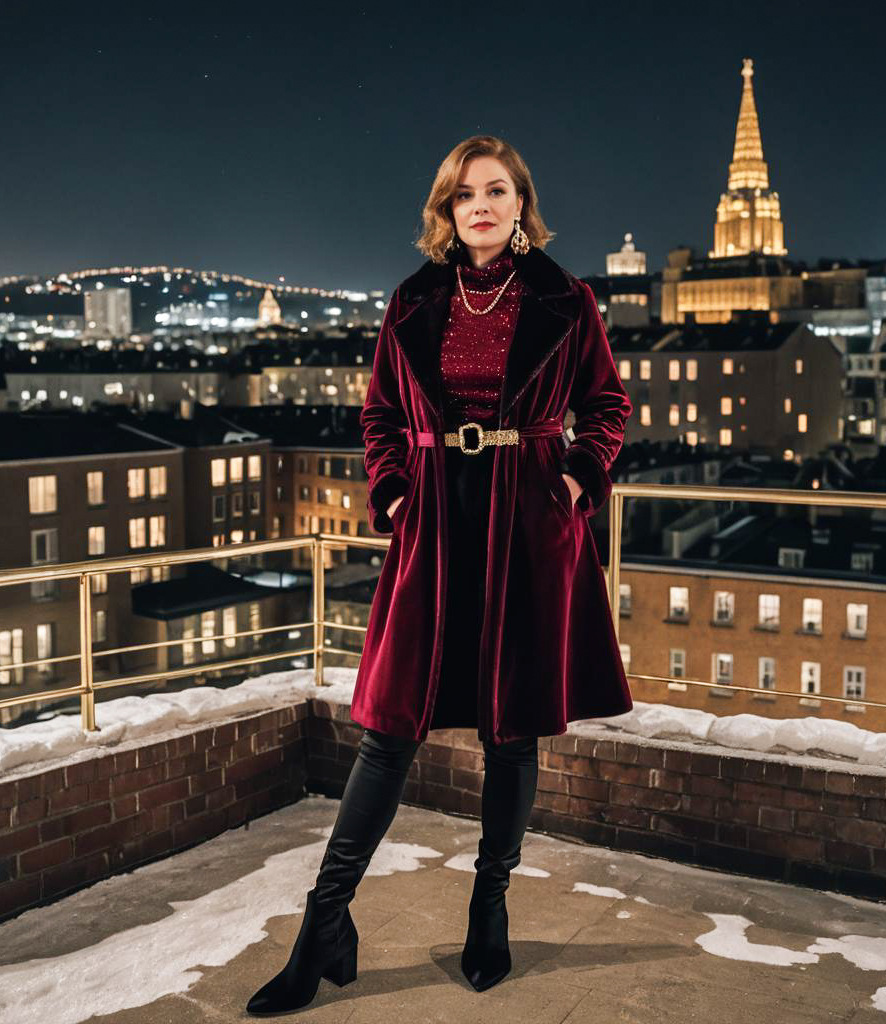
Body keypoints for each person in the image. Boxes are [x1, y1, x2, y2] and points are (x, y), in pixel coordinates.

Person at [246, 134, 632, 1016]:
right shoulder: (415, 299)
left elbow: (606, 406)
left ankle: (487, 905)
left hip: (527, 526)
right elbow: (380, 410)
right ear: (448, 210)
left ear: (522, 204)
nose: (483, 206)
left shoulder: (566, 300)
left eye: (498, 191)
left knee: (511, 733)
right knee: (388, 733)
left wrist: (574, 478)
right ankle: (323, 925)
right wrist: (390, 492)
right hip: (434, 525)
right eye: (466, 195)